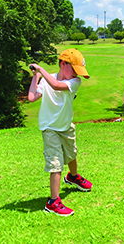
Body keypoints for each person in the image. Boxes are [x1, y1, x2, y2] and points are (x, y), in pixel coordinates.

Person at [28, 48, 92, 217]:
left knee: (71, 154)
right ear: (63, 64)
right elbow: (32, 97)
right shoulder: (47, 79)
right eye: (75, 69)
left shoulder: (74, 82)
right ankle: (53, 202)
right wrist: (36, 77)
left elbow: (56, 85)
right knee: (55, 163)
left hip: (65, 125)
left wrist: (41, 70)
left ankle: (73, 177)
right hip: (49, 127)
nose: (76, 74)